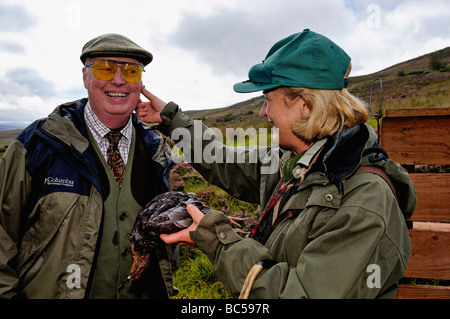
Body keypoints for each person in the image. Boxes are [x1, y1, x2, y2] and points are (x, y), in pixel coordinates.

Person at [136, 29, 416, 298]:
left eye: (268, 100)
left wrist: (219, 240)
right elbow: (224, 160)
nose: (262, 112)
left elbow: (299, 295)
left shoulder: (364, 202)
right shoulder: (294, 161)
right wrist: (173, 121)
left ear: (305, 104)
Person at [0, 33, 177, 299]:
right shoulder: (37, 145)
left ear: (140, 83)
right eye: (105, 68)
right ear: (85, 77)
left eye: (130, 71)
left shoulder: (157, 152)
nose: (118, 80)